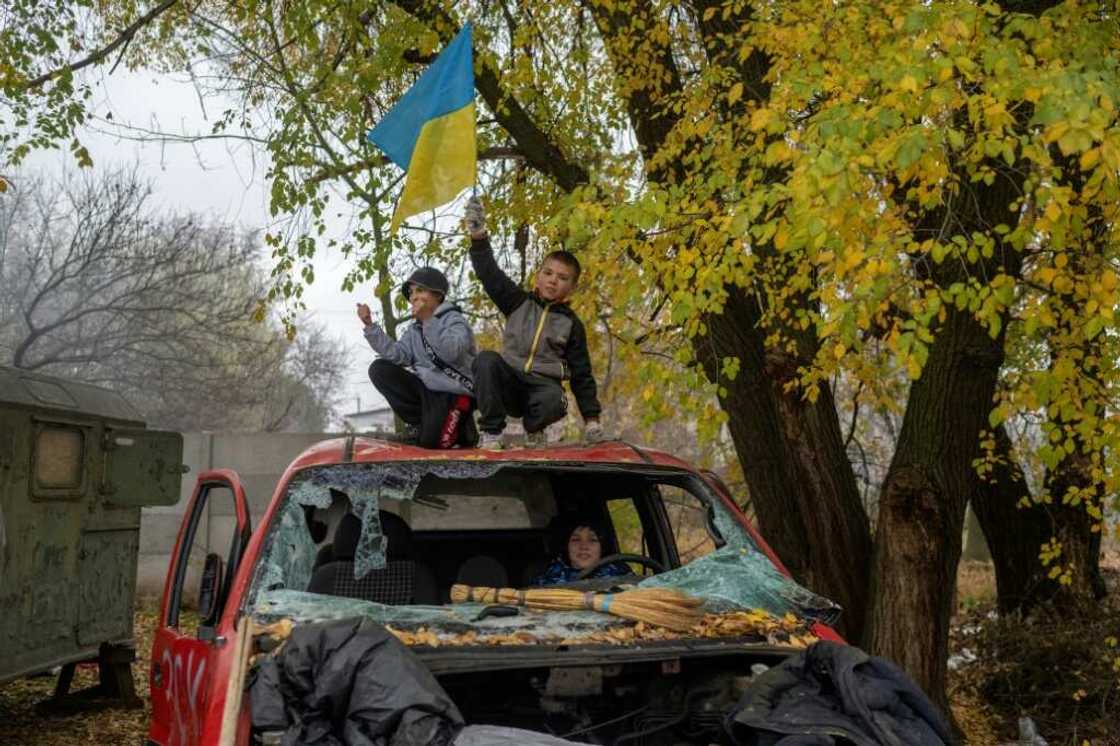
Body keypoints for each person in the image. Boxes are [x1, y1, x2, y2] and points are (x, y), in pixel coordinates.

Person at [464, 196, 604, 448]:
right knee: (485, 360)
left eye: (562, 278)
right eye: (548, 273)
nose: (553, 281)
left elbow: (582, 375)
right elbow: (489, 274)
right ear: (538, 276)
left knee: (556, 399)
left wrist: (592, 420)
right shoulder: (518, 302)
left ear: (572, 287)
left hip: (541, 389)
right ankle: (492, 433)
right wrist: (478, 236)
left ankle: (534, 429)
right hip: (510, 381)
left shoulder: (572, 325)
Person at [359, 267, 479, 448]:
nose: (413, 297)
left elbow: (452, 352)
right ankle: (418, 424)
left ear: (438, 295)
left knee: (430, 444)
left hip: (454, 394)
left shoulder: (455, 320)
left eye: (420, 290)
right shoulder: (414, 330)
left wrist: (429, 320)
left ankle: (464, 430)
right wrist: (370, 326)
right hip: (427, 394)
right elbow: (397, 354)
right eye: (411, 292)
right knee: (379, 369)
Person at [531, 519, 631, 586]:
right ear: (566, 546)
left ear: (602, 547)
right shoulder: (548, 580)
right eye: (576, 540)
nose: (584, 547)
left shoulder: (621, 572)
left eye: (592, 540)